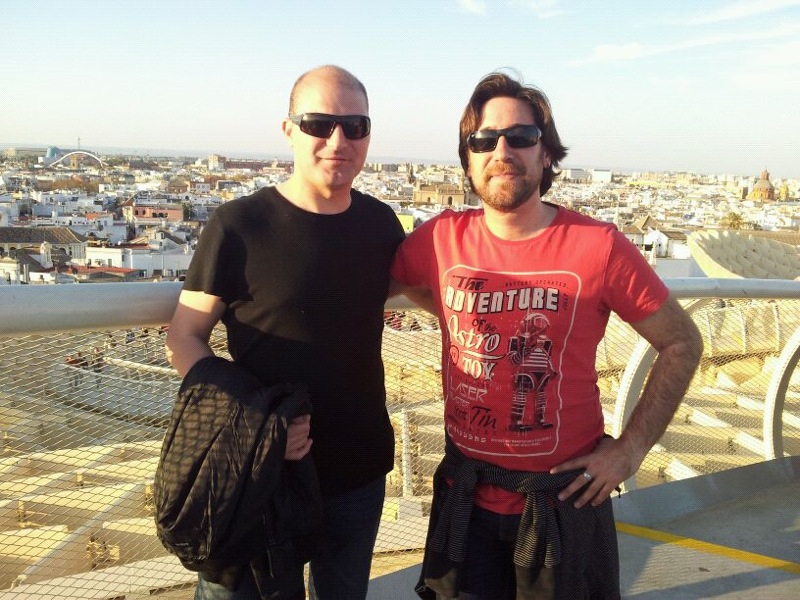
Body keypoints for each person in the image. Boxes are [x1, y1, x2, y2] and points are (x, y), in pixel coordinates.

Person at [390, 71, 704, 599]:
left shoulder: (598, 246)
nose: (501, 151)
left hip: (562, 504)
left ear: (547, 154)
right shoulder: (438, 239)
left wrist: (629, 452)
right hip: (466, 499)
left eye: (521, 136)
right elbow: (354, 293)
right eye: (483, 140)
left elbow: (682, 342)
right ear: (467, 160)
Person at [165, 65, 406, 600]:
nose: (338, 141)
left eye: (355, 126)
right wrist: (257, 422)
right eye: (319, 124)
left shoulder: (381, 225)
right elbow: (184, 336)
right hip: (257, 475)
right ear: (289, 130)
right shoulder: (238, 226)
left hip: (358, 467)